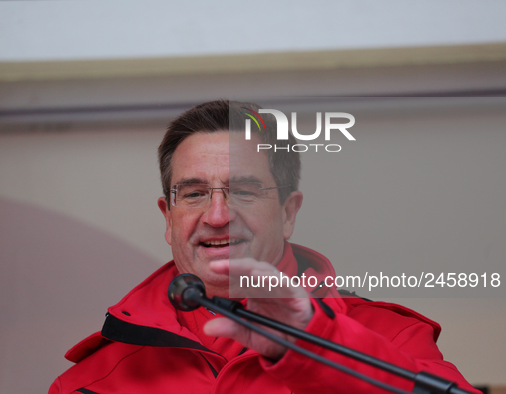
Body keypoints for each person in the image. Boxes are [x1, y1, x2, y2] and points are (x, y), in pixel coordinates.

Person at [49, 100, 479, 394]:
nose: (218, 216)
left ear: (288, 212)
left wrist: (315, 344)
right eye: (195, 194)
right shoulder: (90, 381)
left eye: (244, 191)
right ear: (168, 217)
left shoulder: (393, 338)